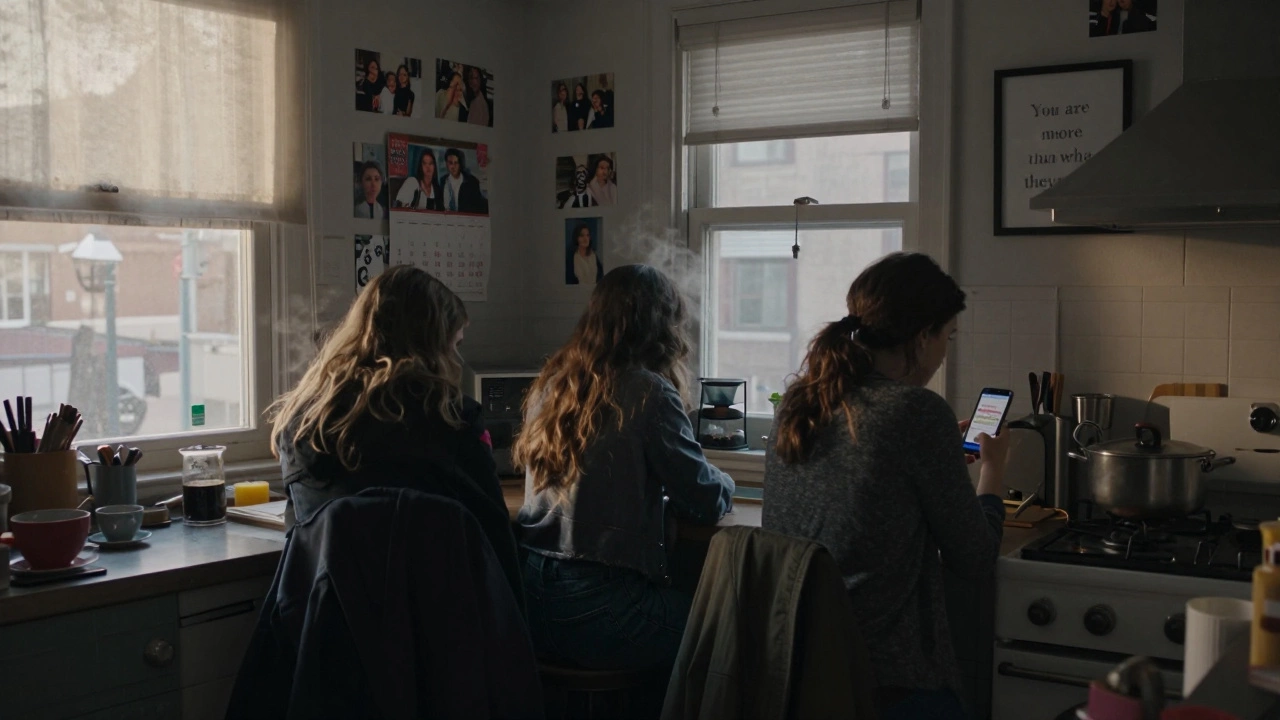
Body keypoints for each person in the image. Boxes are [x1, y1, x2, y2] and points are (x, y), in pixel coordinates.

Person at [761, 252, 1008, 720]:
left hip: (800, 672)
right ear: (922, 336)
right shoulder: (916, 411)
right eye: (948, 336)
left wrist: (936, 457)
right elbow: (975, 558)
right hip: (886, 683)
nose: (945, 352)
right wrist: (993, 470)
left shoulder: (799, 401)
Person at [515, 264, 735, 677]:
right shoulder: (648, 390)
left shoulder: (554, 382)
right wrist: (726, 480)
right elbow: (704, 498)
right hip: (599, 607)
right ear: (660, 326)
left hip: (532, 603)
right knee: (729, 626)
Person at [268, 265, 525, 608]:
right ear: (431, 345)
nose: (457, 358)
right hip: (439, 623)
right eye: (454, 344)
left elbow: (299, 534)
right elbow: (494, 538)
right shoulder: (451, 419)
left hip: (332, 624)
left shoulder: (300, 422)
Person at [443, 148, 488, 214]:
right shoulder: (443, 181)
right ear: (446, 164)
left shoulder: (472, 182)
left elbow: (478, 206)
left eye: (456, 163)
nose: (453, 166)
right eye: (450, 163)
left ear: (460, 164)